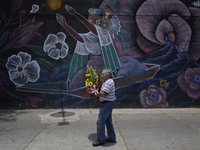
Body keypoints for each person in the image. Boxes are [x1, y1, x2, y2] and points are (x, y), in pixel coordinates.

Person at [92, 68, 116, 146]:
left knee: (100, 122)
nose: (101, 76)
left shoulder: (108, 82)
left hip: (107, 104)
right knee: (108, 122)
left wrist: (95, 93)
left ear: (107, 75)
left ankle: (101, 140)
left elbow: (103, 93)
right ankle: (112, 138)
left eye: (103, 74)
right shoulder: (107, 81)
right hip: (109, 103)